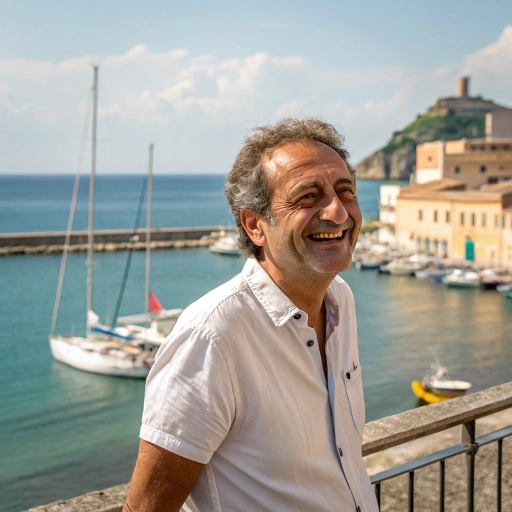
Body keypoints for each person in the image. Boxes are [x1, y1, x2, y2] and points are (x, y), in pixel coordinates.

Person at [124, 118, 379, 512]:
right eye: (308, 197)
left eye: (345, 192)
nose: (339, 212)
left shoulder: (340, 300)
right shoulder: (212, 337)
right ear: (255, 225)